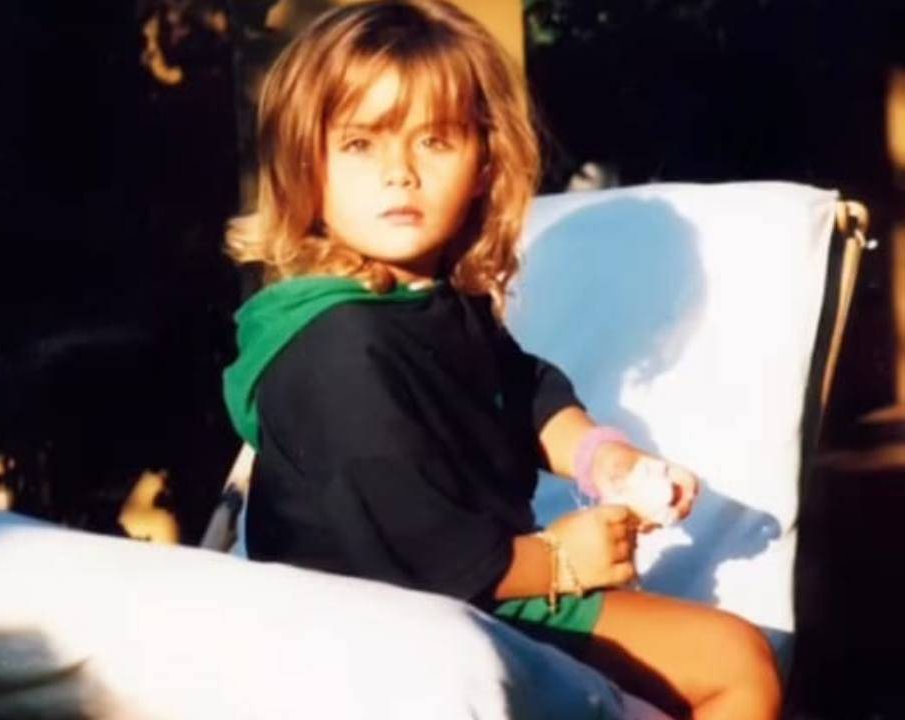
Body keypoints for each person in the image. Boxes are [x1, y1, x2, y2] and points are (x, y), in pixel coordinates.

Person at [220, 2, 781, 717]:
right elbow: (414, 553)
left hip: (467, 596)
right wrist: (561, 561)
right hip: (387, 634)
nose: (400, 172)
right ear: (307, 165)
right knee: (737, 666)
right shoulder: (339, 346)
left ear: (485, 163)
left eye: (434, 140)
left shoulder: (423, 303)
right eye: (361, 143)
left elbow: (525, 391)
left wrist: (605, 461)